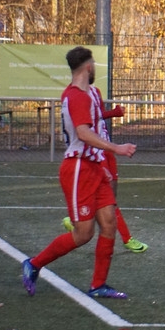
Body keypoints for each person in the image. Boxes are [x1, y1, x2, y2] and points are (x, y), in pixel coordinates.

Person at [22, 47, 138, 299]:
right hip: (78, 169)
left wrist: (103, 163)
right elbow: (83, 133)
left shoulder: (88, 94)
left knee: (109, 224)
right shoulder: (76, 96)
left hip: (94, 167)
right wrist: (116, 148)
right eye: (93, 63)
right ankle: (33, 264)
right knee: (84, 233)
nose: (94, 67)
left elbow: (92, 123)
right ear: (88, 67)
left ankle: (98, 285)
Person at [61, 93, 148, 253]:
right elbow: (87, 123)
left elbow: (97, 116)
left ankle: (75, 221)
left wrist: (113, 114)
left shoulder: (94, 92)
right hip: (96, 152)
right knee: (109, 199)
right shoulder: (79, 93)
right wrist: (114, 113)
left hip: (106, 150)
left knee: (110, 198)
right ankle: (127, 239)